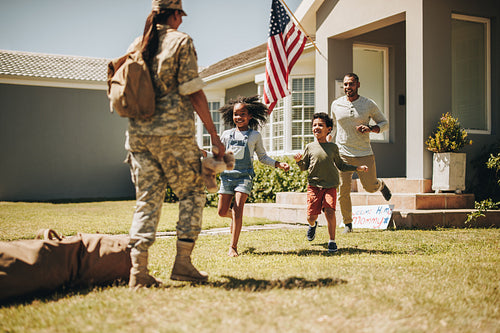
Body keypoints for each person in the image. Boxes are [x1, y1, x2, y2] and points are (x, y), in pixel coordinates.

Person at [125, 0, 225, 289]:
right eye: (181, 14)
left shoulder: (138, 43)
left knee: (147, 200)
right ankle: (183, 264)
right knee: (193, 193)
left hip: (138, 136)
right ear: (175, 14)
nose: (182, 20)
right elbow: (193, 92)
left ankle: (138, 272)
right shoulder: (181, 41)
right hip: (173, 135)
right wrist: (214, 136)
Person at [217, 96, 290, 257]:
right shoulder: (226, 135)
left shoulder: (254, 135)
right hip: (227, 177)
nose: (239, 117)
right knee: (222, 211)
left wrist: (278, 164)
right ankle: (234, 220)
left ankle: (233, 247)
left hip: (244, 177)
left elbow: (262, 157)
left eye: (243, 114)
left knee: (238, 209)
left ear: (250, 116)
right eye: (236, 114)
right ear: (232, 115)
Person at [294, 112, 368, 253]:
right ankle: (313, 225)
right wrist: (298, 161)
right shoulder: (309, 147)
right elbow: (304, 167)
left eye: (320, 125)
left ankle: (332, 241)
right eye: (314, 125)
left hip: (331, 185)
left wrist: (357, 168)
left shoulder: (333, 148)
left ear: (328, 129)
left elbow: (341, 165)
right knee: (311, 216)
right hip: (314, 186)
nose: (317, 127)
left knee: (330, 211)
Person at [330, 73, 392, 234]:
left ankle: (380, 185)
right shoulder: (336, 105)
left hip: (364, 152)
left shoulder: (368, 104)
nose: (347, 88)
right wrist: (328, 139)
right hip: (343, 151)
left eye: (350, 84)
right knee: (343, 189)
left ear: (358, 84)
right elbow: (334, 126)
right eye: (345, 85)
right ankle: (348, 224)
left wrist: (371, 129)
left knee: (370, 187)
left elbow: (384, 123)